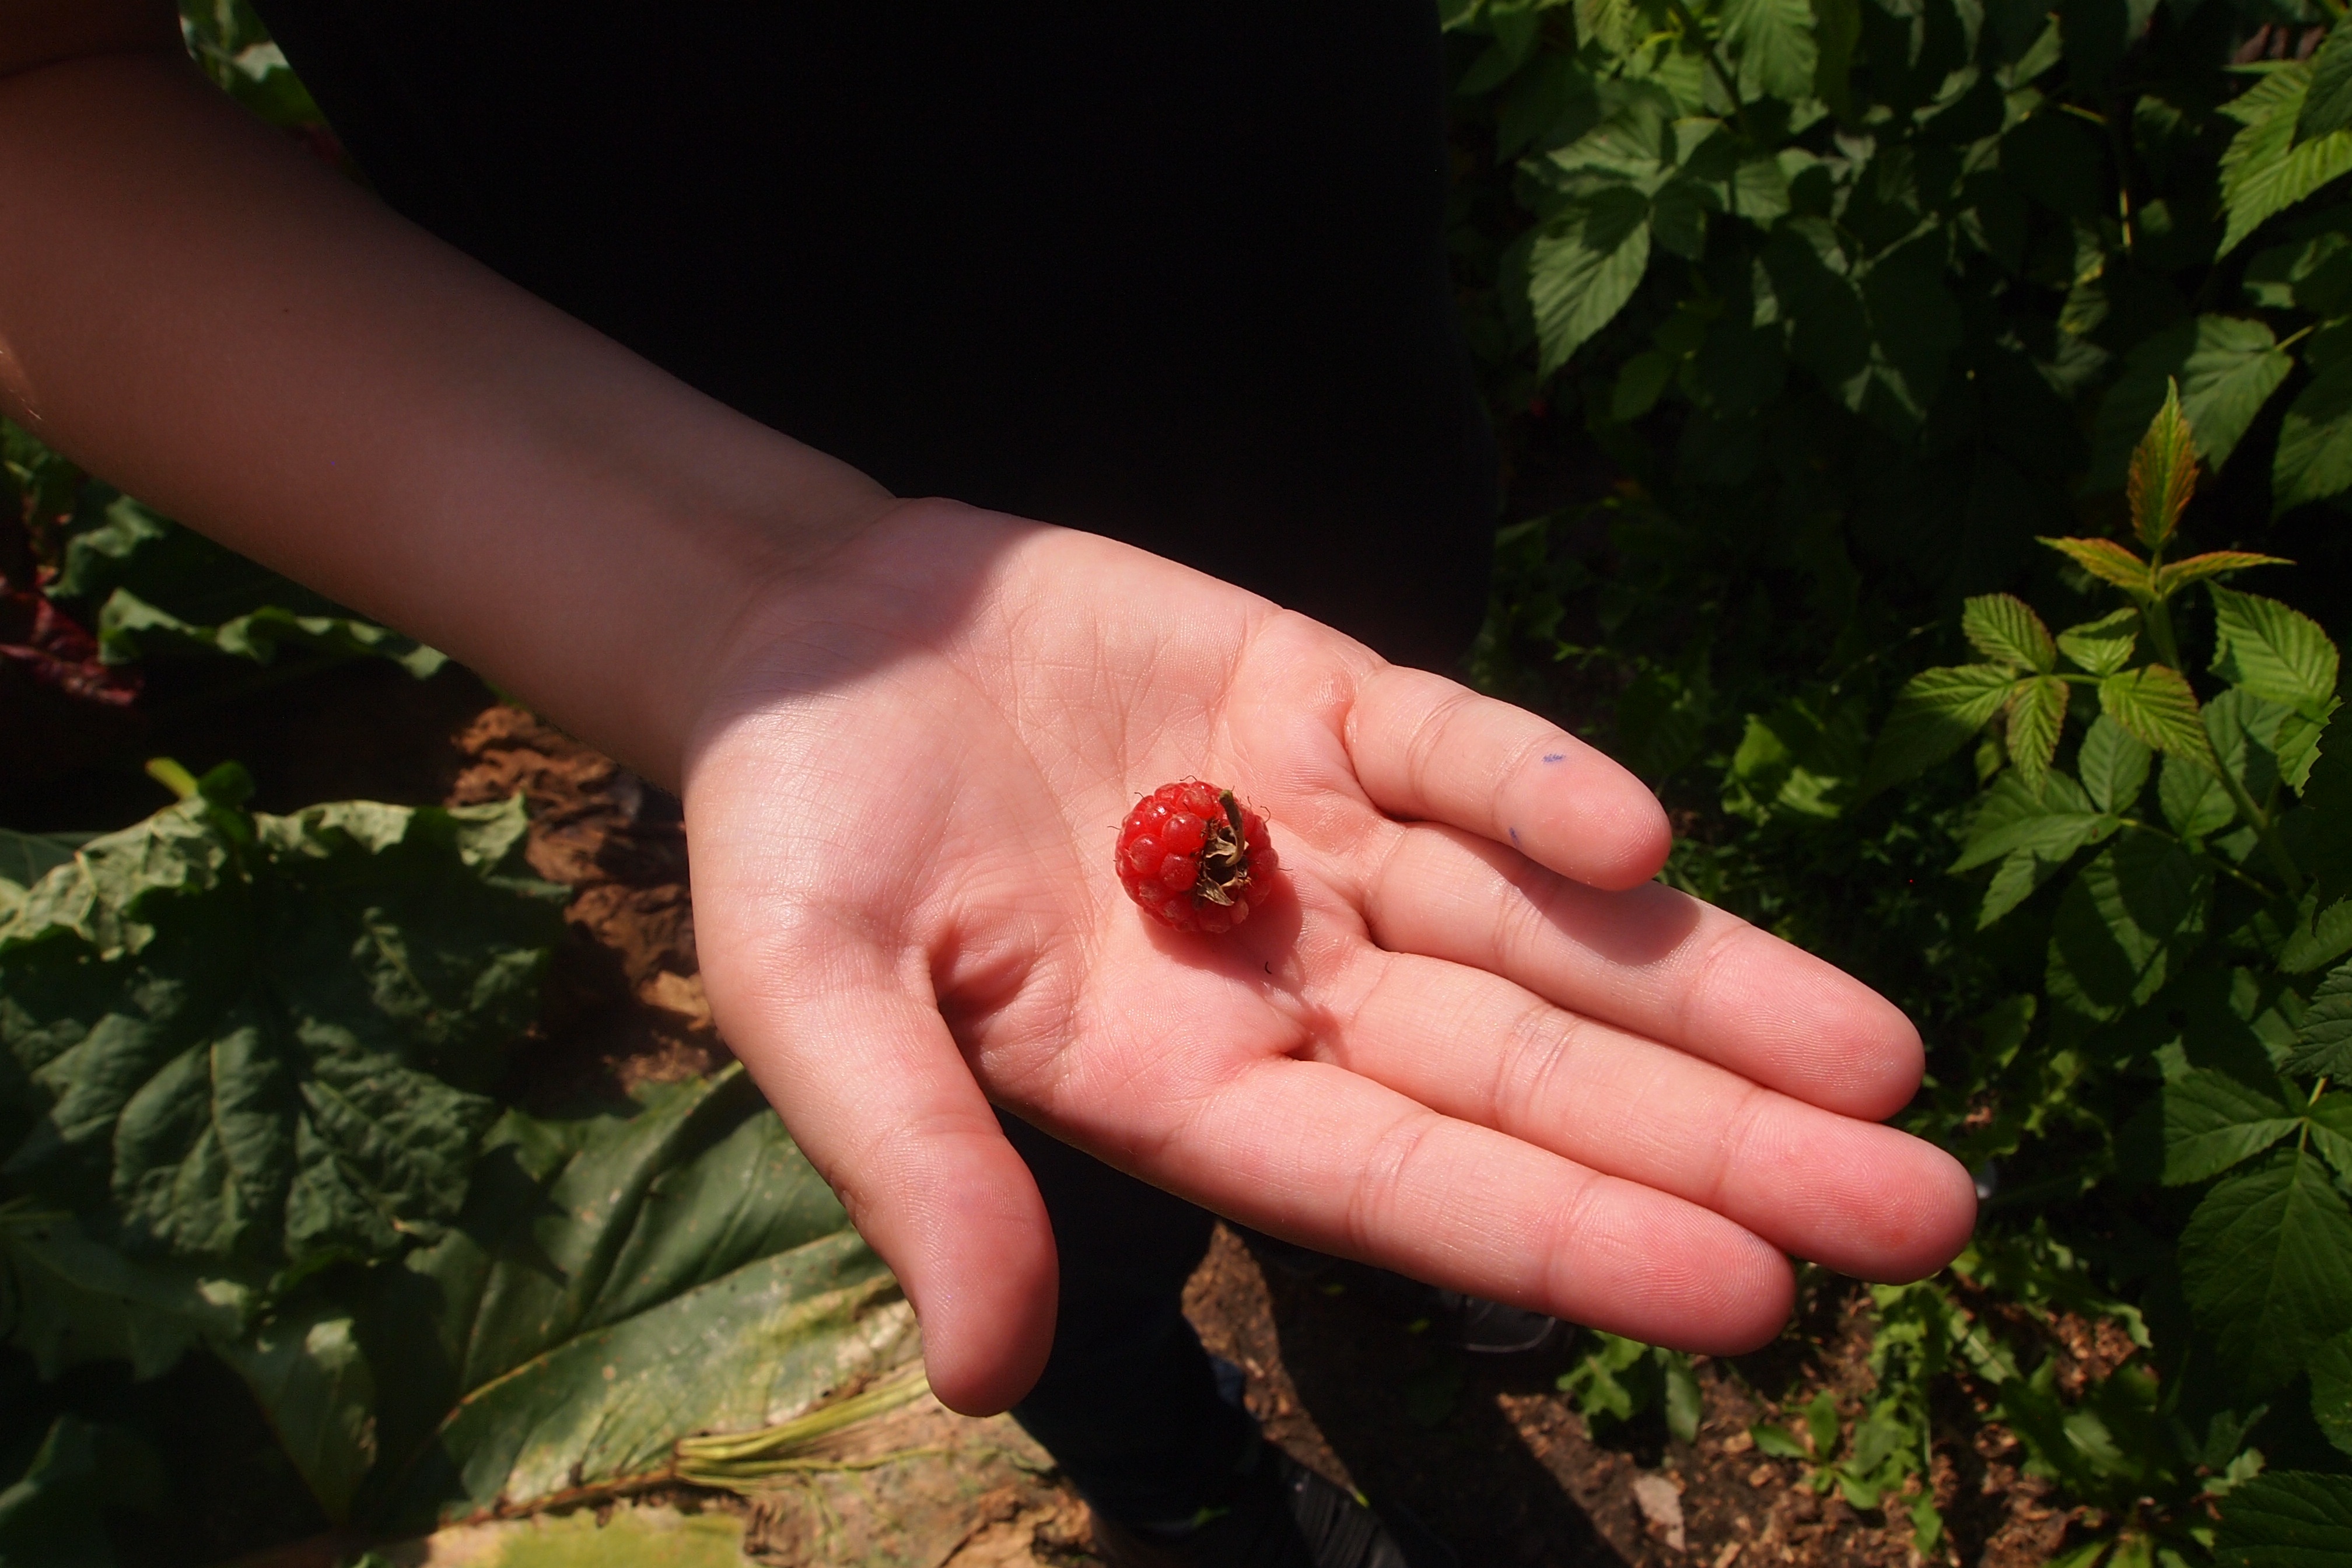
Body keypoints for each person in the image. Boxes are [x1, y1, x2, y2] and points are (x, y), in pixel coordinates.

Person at [0, 4, 1978, 1563]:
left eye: (1207, 861)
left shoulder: (1222, 806)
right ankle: (1165, 1470)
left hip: (1318, 467)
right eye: (1206, 860)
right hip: (751, 505)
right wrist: (725, 593)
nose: (1207, 865)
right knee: (1064, 1189)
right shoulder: (1155, 841)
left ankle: (1342, 1244)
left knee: (1365, 950)